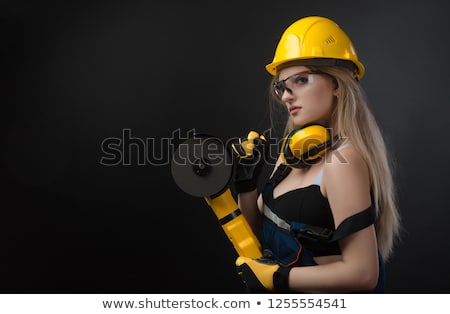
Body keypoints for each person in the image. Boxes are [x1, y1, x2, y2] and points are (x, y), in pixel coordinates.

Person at [232, 16, 401, 293]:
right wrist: (246, 187)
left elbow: (363, 273)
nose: (286, 95)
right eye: (282, 86)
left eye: (300, 80)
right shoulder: (289, 158)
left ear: (336, 84)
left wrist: (279, 278)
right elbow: (255, 244)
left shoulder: (342, 162)